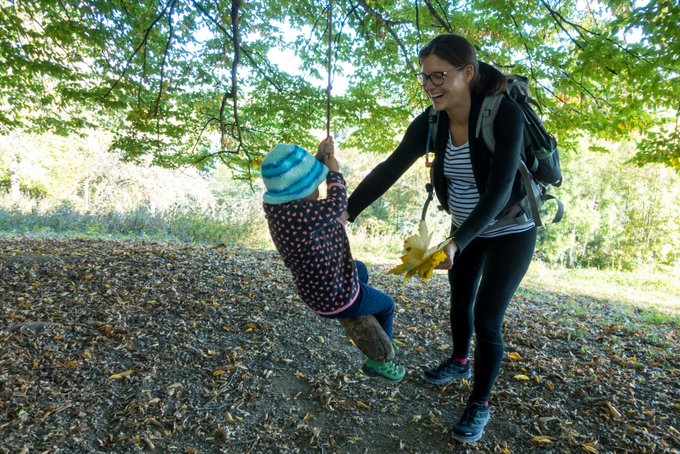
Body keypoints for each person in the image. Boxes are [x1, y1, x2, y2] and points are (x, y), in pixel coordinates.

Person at [346, 34, 537, 442]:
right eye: (424, 77)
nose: (430, 85)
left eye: (439, 76)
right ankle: (459, 360)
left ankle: (479, 402)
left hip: (509, 230)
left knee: (487, 318)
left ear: (467, 73)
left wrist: (457, 241)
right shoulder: (432, 122)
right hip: (465, 229)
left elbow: (500, 190)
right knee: (460, 298)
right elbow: (389, 167)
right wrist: (348, 209)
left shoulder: (504, 116)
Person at [261, 138, 406, 382]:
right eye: (314, 184)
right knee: (387, 305)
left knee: (359, 268)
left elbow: (299, 184)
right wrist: (334, 173)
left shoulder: (279, 209)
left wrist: (319, 157)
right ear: (301, 191)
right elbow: (339, 203)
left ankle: (360, 309)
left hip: (317, 288)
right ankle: (381, 357)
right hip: (333, 294)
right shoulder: (303, 214)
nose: (318, 189)